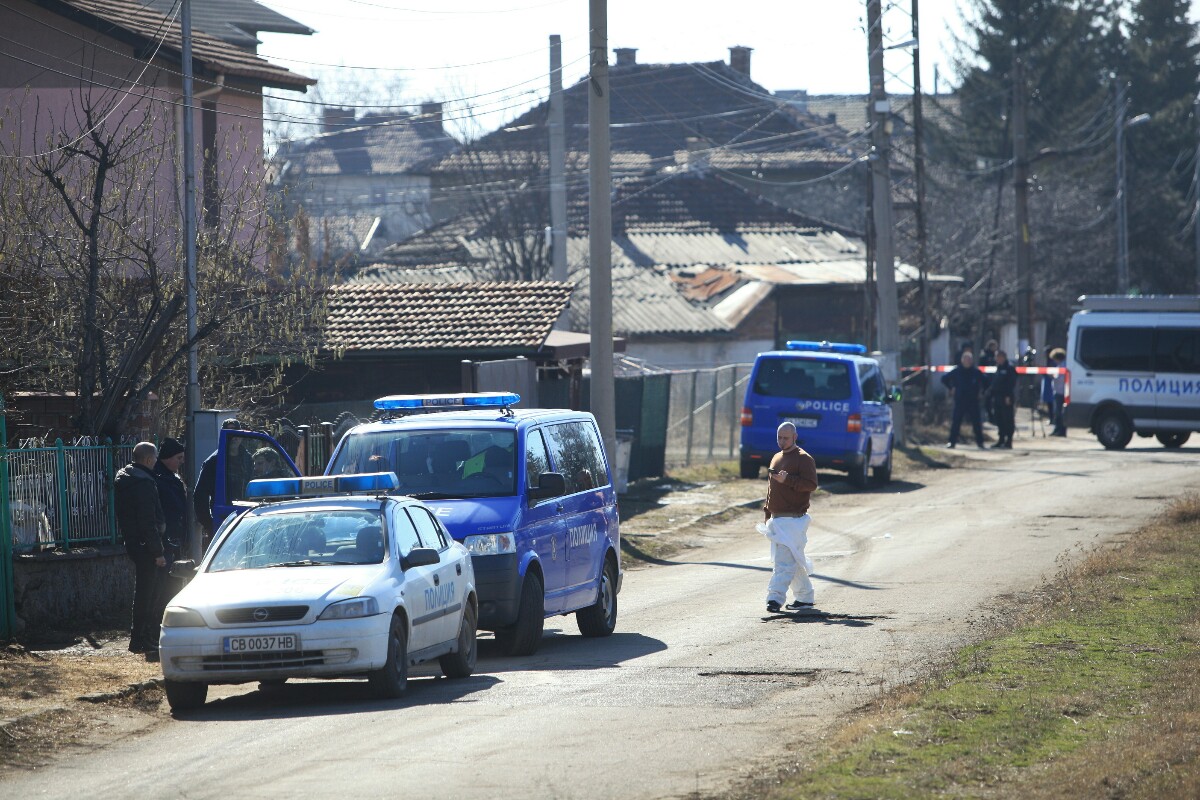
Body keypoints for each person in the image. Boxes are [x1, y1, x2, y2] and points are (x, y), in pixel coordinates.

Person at [756, 421, 819, 613]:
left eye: (785, 438)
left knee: (784, 563)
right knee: (793, 560)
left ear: (795, 437)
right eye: (779, 437)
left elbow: (811, 485)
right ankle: (805, 597)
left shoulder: (804, 459)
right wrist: (767, 514)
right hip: (778, 519)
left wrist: (788, 480)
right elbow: (771, 490)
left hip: (794, 520)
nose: (782, 441)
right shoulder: (776, 457)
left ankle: (774, 598)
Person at [114, 442, 166, 655]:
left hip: (134, 543)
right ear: (147, 460)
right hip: (146, 546)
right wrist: (158, 552)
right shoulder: (142, 483)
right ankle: (141, 639)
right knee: (147, 593)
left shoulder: (126, 479)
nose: (155, 463)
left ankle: (139, 638)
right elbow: (147, 521)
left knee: (143, 592)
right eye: (154, 459)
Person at [152, 438, 188, 626]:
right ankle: (159, 623)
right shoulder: (158, 479)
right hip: (165, 540)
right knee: (163, 587)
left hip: (174, 538)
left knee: (173, 584)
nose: (181, 462)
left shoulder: (171, 477)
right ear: (167, 458)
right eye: (178, 458)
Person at [193, 418, 242, 546]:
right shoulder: (213, 462)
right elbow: (200, 494)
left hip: (245, 517)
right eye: (229, 433)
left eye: (236, 433)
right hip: (222, 520)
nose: (234, 437)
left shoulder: (248, 459)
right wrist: (209, 523)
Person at [942, 350, 986, 449]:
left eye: (969, 360)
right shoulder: (957, 371)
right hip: (960, 400)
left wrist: (981, 392)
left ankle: (980, 443)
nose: (967, 361)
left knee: (976, 423)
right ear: (962, 360)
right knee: (956, 422)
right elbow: (944, 379)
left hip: (973, 401)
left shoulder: (976, 372)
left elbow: (986, 381)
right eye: (966, 359)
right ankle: (952, 442)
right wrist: (951, 388)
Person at [986, 350, 1018, 448]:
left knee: (1007, 419)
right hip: (997, 397)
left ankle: (1009, 440)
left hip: (1006, 397)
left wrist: (1008, 396)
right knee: (999, 418)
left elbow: (1011, 383)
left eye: (999, 357)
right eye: (996, 357)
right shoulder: (997, 368)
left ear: (1003, 357)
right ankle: (1001, 439)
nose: (997, 359)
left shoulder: (1010, 368)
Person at [978, 339, 999, 425]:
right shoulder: (984, 356)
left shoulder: (996, 356)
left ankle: (995, 417)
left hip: (995, 381)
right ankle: (989, 416)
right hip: (986, 381)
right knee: (987, 400)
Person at [1049, 348, 1068, 436]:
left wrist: (1052, 375)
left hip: (1060, 392)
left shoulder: (1062, 366)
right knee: (1059, 412)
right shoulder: (1063, 365)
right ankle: (1060, 429)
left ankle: (1059, 430)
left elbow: (1059, 378)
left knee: (1058, 412)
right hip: (1061, 391)